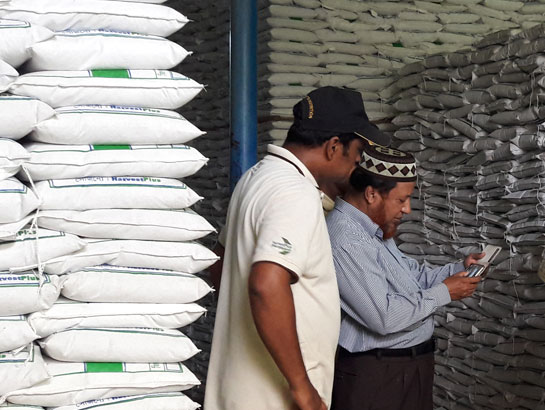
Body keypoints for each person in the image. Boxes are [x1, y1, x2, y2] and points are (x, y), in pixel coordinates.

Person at [204, 86, 391, 410]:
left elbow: (220, 266)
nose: (358, 165)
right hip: (272, 397)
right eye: (357, 153)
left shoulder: (255, 179)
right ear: (334, 147)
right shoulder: (295, 193)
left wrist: (248, 323)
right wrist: (302, 388)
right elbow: (265, 284)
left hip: (242, 389)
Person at [326, 144, 483, 410]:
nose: (407, 209)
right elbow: (383, 317)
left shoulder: (374, 229)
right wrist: (445, 292)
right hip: (377, 375)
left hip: (406, 367)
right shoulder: (347, 239)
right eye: (401, 199)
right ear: (372, 194)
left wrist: (457, 270)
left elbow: (410, 278)